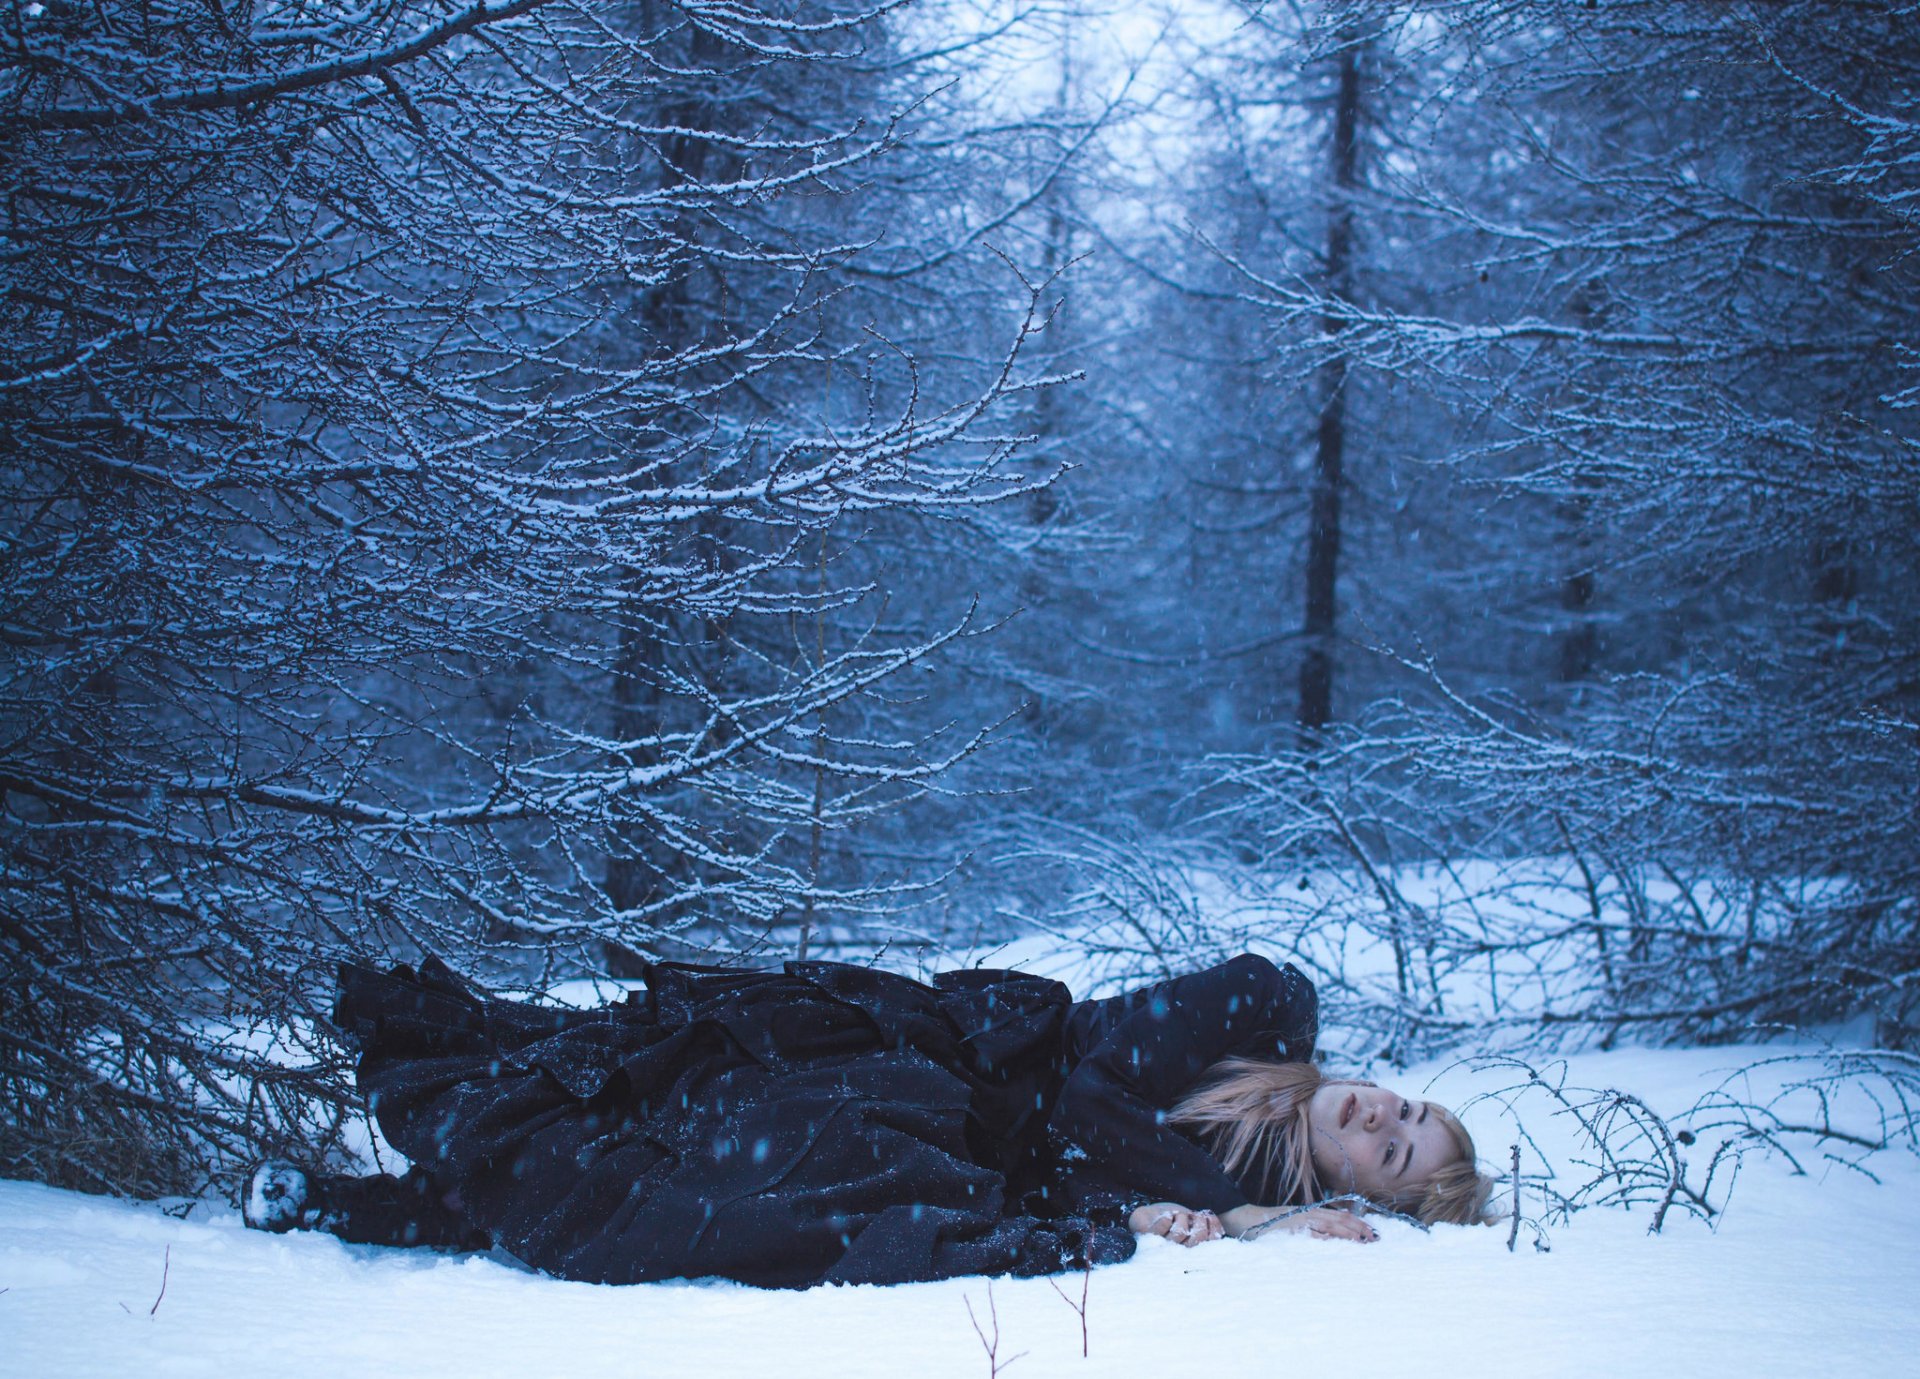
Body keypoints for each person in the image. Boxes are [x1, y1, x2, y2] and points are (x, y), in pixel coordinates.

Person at [245, 952, 1493, 1286]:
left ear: (1357, 1189)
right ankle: (434, 1096)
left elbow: (1080, 1164)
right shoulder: (1269, 1008)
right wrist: (1231, 1207)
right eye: (1412, 1108)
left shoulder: (1252, 1177)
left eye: (1392, 1151)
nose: (1385, 1111)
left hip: (956, 1145)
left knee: (716, 1201)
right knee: (661, 1081)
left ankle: (376, 1208)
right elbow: (1086, 1091)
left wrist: (1163, 1210)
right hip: (938, 1055)